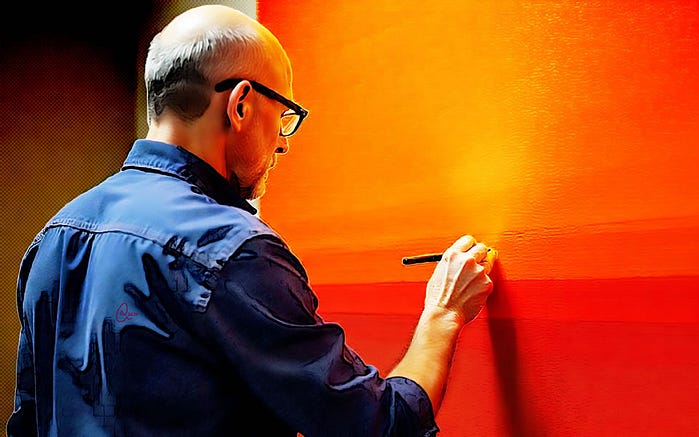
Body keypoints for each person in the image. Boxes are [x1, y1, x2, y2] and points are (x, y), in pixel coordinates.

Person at [7, 4, 497, 436]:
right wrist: (443, 314)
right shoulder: (231, 249)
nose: (283, 142)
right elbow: (379, 426)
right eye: (283, 116)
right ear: (241, 104)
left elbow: (29, 420)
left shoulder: (54, 237)